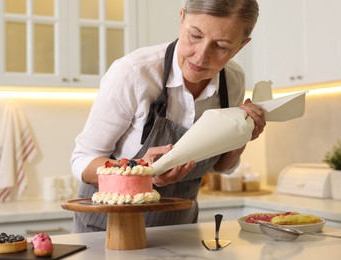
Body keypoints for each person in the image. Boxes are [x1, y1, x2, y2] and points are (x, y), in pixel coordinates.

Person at [71, 0, 265, 233]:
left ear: (241, 46)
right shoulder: (134, 73)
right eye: (195, 36)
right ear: (181, 18)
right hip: (109, 229)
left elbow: (220, 166)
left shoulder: (233, 81)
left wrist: (243, 133)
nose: (201, 56)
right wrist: (140, 169)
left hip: (179, 230)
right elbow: (83, 160)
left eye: (221, 46)